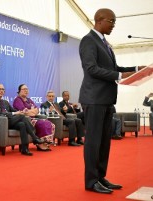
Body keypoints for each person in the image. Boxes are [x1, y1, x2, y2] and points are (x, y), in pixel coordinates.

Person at [79, 8, 146, 194]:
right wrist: (119, 74)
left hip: (107, 99)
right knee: (93, 142)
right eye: (112, 21)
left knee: (104, 142)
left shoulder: (105, 43)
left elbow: (114, 68)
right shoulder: (88, 41)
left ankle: (100, 177)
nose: (114, 25)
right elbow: (91, 68)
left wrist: (136, 69)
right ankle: (91, 181)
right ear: (99, 20)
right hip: (93, 98)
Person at [0, 83, 44, 156]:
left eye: (3, 89)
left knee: (22, 124)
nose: (1, 91)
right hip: (3, 123)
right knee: (22, 117)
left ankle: (24, 149)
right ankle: (34, 137)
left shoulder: (5, 102)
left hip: (11, 121)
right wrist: (14, 113)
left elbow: (13, 110)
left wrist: (22, 111)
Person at [13, 84, 55, 151]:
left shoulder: (29, 100)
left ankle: (45, 143)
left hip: (34, 118)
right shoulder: (17, 100)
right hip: (26, 120)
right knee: (42, 123)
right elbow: (24, 112)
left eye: (27, 89)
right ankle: (40, 144)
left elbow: (37, 110)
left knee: (49, 123)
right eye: (24, 89)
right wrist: (32, 111)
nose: (26, 91)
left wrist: (31, 111)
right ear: (19, 91)